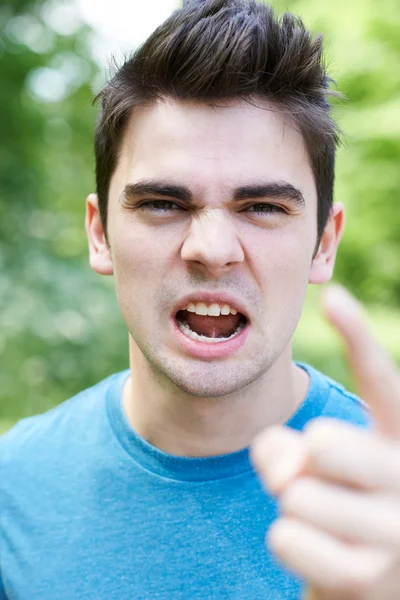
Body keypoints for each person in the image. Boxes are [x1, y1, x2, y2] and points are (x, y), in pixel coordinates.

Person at [1, 0, 399, 598]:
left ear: (324, 243)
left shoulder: (388, 506)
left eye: (262, 207)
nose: (211, 249)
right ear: (99, 232)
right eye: (163, 203)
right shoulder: (12, 490)